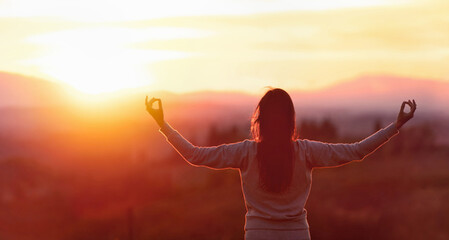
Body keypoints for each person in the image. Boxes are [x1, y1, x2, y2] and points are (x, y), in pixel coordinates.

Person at [145, 88, 417, 240]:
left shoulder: (245, 152)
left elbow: (194, 155)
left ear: (260, 120)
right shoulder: (306, 151)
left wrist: (162, 124)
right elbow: (356, 151)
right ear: (291, 120)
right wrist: (395, 126)